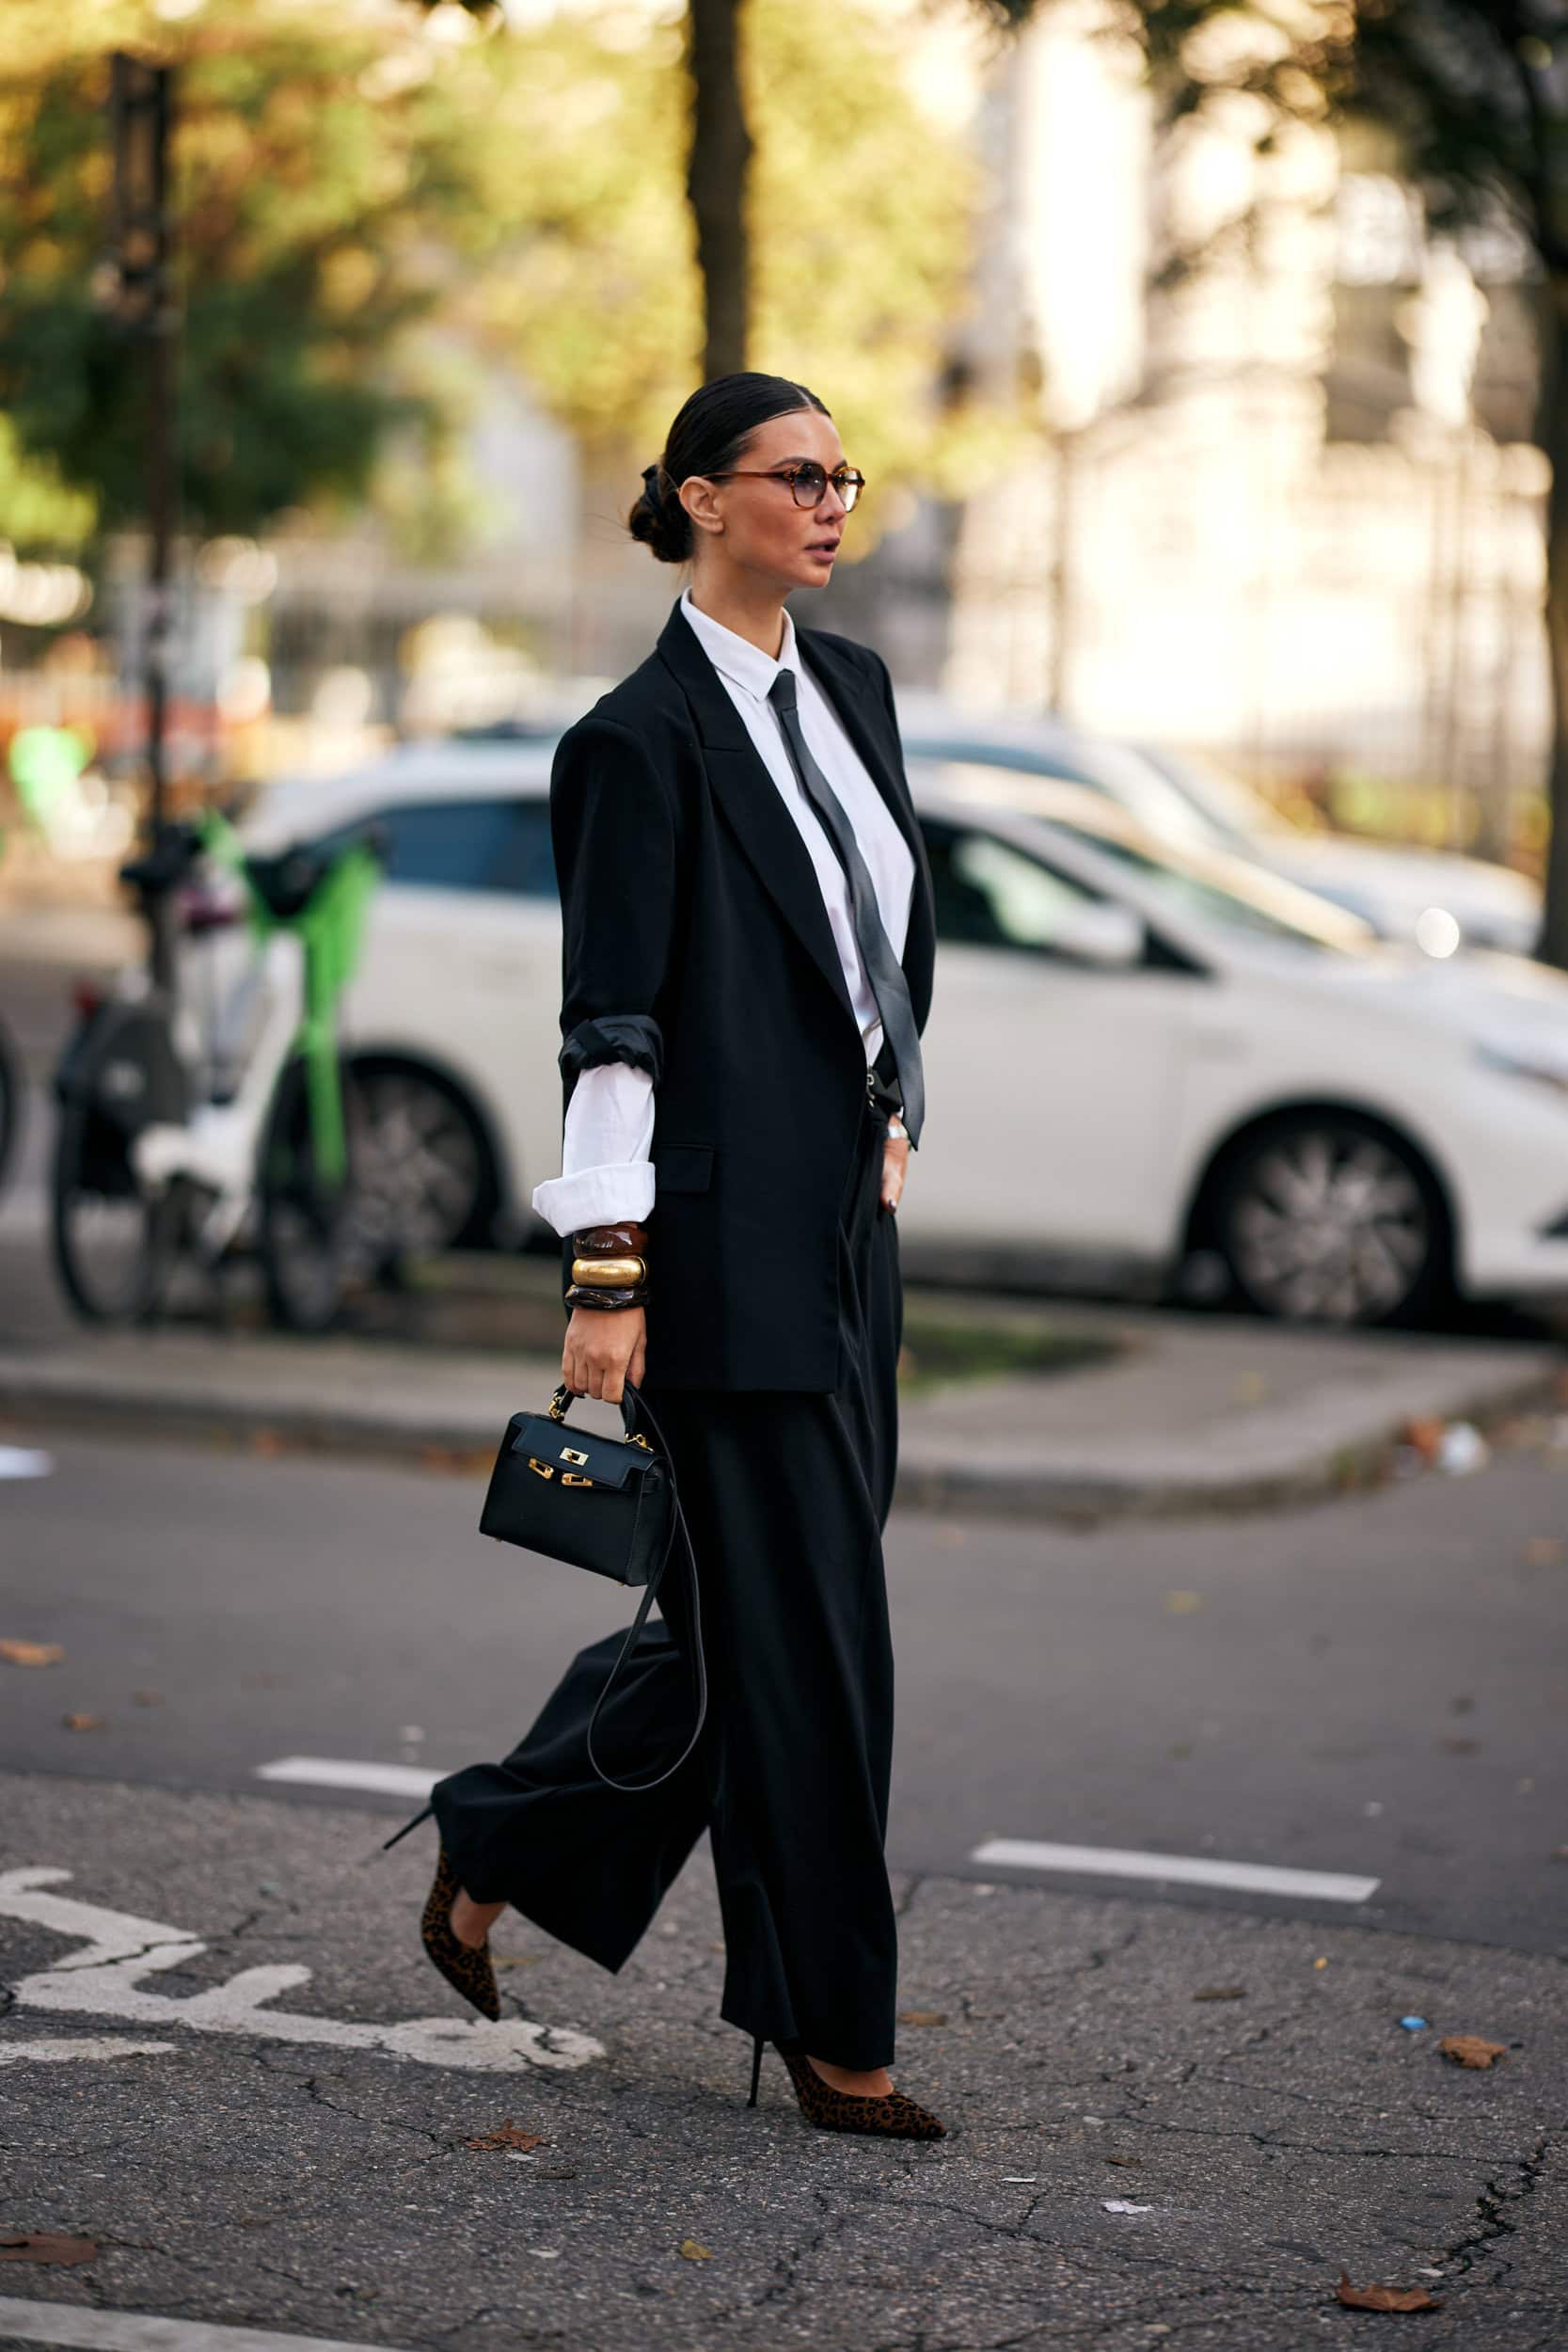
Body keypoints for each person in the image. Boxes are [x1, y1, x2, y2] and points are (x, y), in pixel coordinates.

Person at [383, 373, 942, 2139]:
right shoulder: (634, 742)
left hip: (847, 1234)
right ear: (703, 499)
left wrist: (890, 1101)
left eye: (844, 476)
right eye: (798, 475)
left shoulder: (853, 689)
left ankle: (499, 1842)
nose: (832, 502)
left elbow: (875, 941)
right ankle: (835, 2031)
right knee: (822, 1650)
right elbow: (611, 1025)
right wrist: (607, 1275)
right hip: (713, 1259)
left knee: (733, 1635)